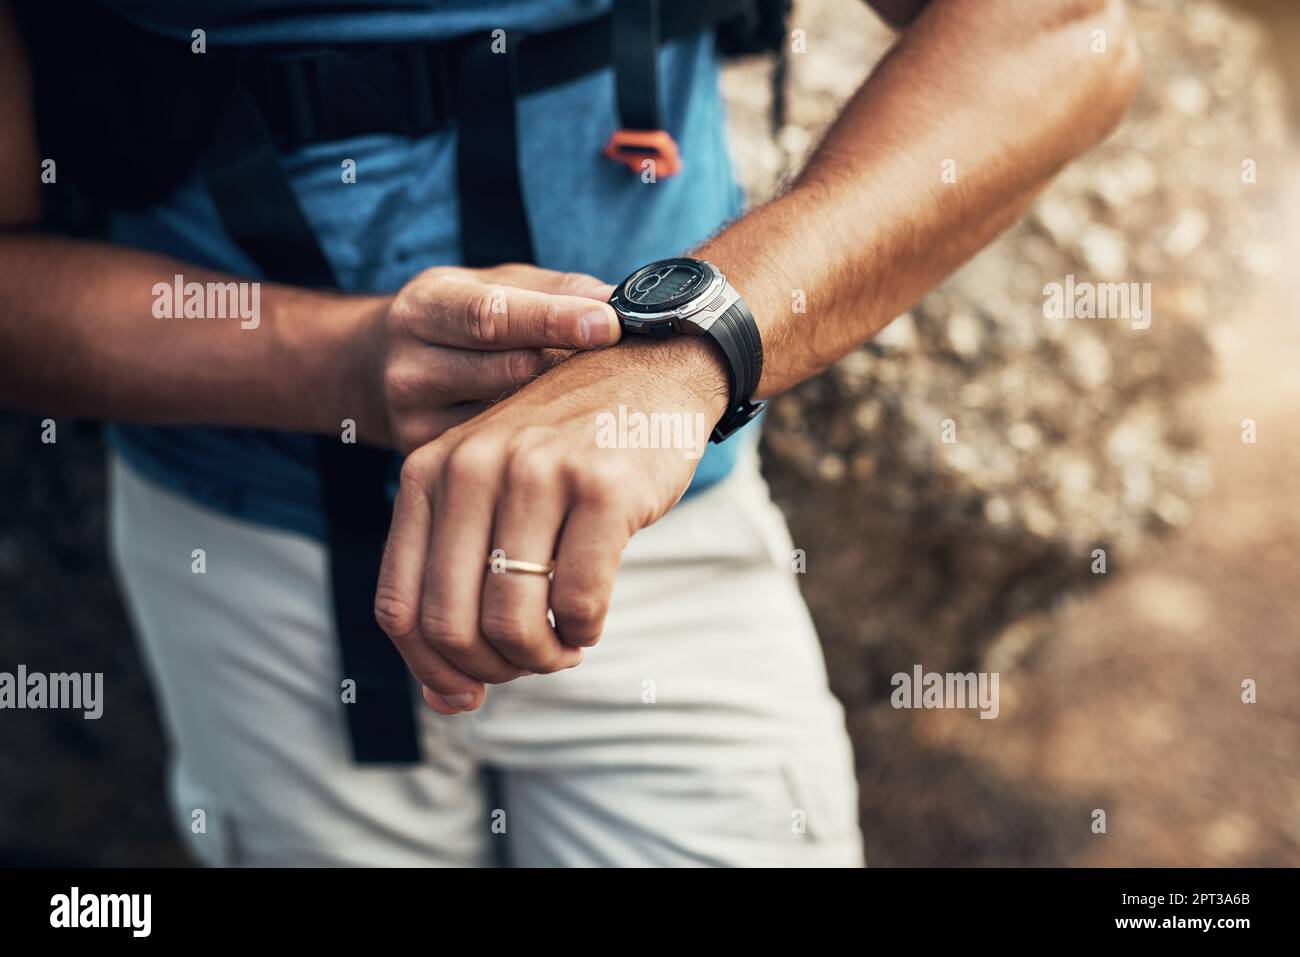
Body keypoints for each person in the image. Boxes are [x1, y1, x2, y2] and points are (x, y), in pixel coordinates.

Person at [0, 0, 1139, 866]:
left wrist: (691, 347)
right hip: (252, 557)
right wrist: (337, 362)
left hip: (654, 535)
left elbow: (1058, 32)